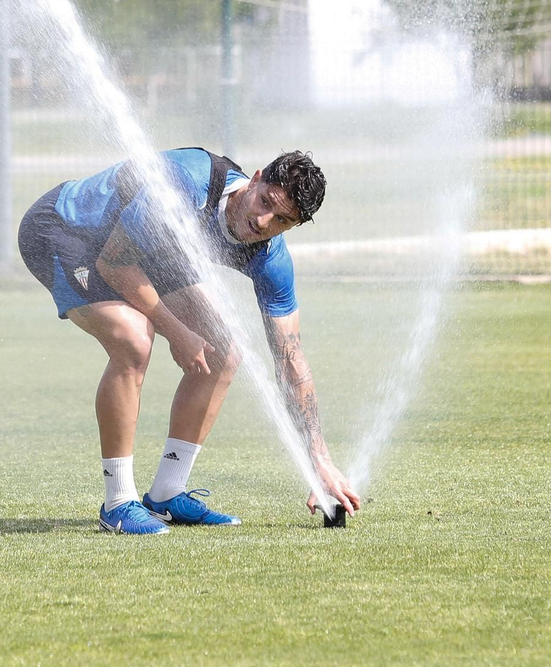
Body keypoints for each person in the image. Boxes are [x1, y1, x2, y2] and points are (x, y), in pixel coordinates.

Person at [18, 146, 363, 535]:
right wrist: (179, 333)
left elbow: (290, 358)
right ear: (255, 177)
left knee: (224, 349)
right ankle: (117, 503)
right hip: (65, 231)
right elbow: (114, 263)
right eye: (265, 201)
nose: (263, 221)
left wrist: (320, 459)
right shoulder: (187, 182)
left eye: (281, 219)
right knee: (134, 338)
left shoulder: (270, 258)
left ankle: (166, 493)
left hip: (140, 251)